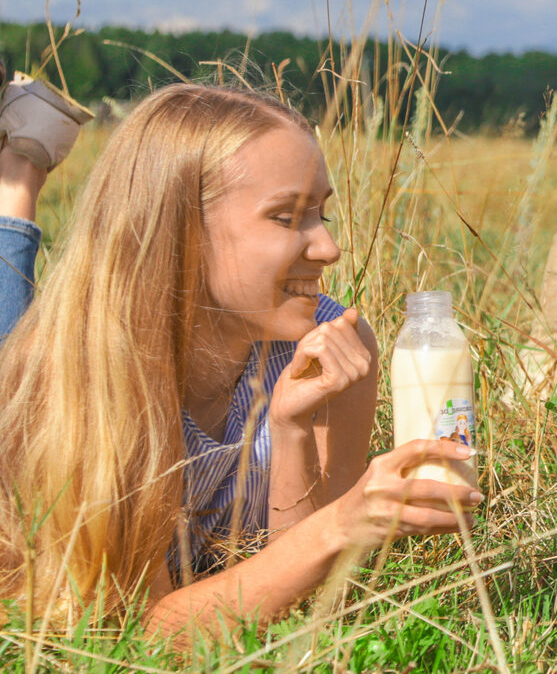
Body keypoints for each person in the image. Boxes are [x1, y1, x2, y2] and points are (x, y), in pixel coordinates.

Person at [0, 76, 481, 639]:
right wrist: (343, 524)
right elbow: (141, 636)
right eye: (285, 217)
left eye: (321, 214)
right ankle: (18, 175)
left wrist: (290, 428)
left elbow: (312, 597)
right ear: (181, 231)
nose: (328, 248)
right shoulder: (84, 381)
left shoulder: (331, 341)